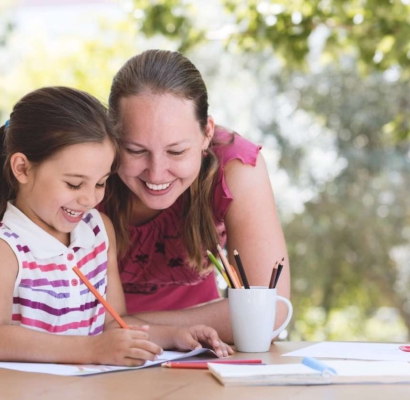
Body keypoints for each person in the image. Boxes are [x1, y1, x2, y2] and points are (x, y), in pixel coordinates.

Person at [0, 86, 232, 365]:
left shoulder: (98, 231)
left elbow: (114, 324)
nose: (89, 198)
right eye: (73, 184)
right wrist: (92, 349)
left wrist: (176, 335)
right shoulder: (4, 247)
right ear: (22, 168)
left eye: (101, 183)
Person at [99, 49, 290, 342]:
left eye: (176, 151)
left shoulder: (235, 167)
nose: (157, 173)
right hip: (98, 350)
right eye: (136, 151)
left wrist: (121, 324)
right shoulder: (85, 167)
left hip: (198, 345)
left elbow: (268, 313)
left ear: (206, 133)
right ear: (112, 137)